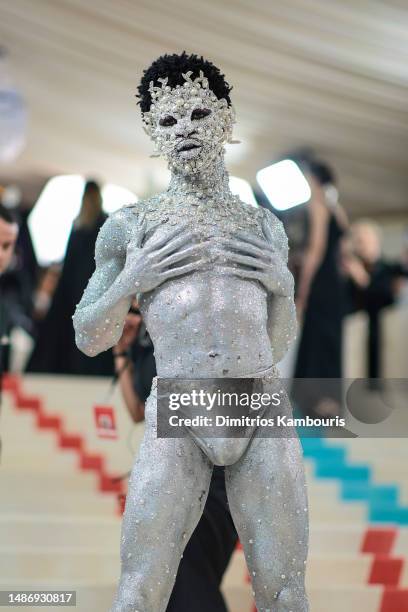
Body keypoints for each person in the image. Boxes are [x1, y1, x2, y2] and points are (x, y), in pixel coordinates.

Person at [73, 52, 308, 612]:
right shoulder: (133, 226)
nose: (184, 132)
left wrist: (283, 288)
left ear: (226, 120)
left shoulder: (263, 225)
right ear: (152, 130)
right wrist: (132, 279)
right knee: (141, 588)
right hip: (181, 401)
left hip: (258, 402)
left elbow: (277, 342)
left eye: (199, 115)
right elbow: (89, 335)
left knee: (284, 589)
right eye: (170, 121)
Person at [113, 306, 238, 611]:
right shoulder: (143, 339)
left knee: (188, 581)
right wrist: (120, 353)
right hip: (166, 480)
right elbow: (138, 412)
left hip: (211, 480)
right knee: (173, 585)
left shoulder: (198, 322)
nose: (132, 315)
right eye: (129, 309)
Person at [27, 180, 113, 375]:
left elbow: (68, 267)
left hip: (74, 294)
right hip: (96, 294)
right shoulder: (104, 224)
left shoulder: (79, 226)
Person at [293, 160, 349, 418]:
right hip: (335, 284)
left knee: (315, 339)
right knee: (331, 341)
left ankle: (314, 401)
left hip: (320, 283)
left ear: (314, 180)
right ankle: (331, 400)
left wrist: (303, 289)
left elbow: (316, 250)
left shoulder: (317, 206)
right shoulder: (337, 209)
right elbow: (343, 251)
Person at [344, 220, 408, 378]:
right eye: (357, 240)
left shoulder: (391, 269)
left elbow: (386, 299)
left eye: (363, 240)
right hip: (354, 337)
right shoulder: (348, 270)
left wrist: (363, 280)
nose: (359, 245)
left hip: (381, 340)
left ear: (375, 240)